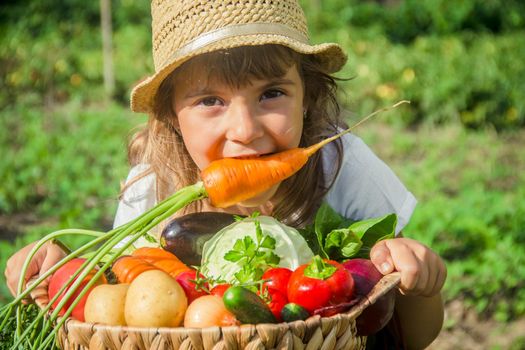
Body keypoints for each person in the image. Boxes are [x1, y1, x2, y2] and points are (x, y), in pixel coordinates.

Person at [5, 0, 446, 348]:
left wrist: (415, 281)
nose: (245, 131)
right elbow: (120, 305)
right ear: (172, 116)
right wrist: (60, 272)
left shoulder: (340, 162)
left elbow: (415, 337)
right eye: (210, 102)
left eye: (271, 94)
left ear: (308, 97)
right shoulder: (152, 186)